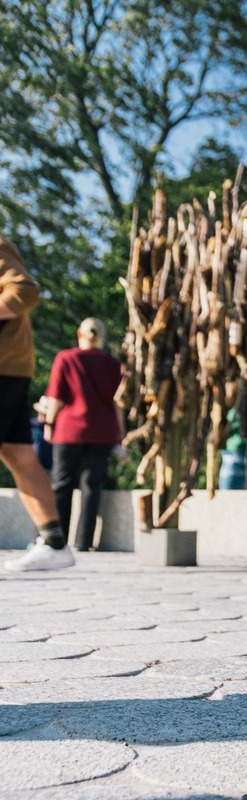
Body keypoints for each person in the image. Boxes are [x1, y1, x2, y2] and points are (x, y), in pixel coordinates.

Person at [0, 234, 74, 571]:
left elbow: (25, 292)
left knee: (18, 455)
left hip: (3, 367)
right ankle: (54, 542)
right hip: (10, 367)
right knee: (18, 453)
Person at [43, 317, 125, 552]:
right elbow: (119, 403)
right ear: (102, 336)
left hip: (69, 430)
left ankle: (57, 540)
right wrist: (120, 433)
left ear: (80, 334)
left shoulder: (66, 358)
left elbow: (56, 398)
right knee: (91, 486)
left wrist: (49, 423)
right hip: (103, 432)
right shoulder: (112, 364)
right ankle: (84, 542)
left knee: (62, 484)